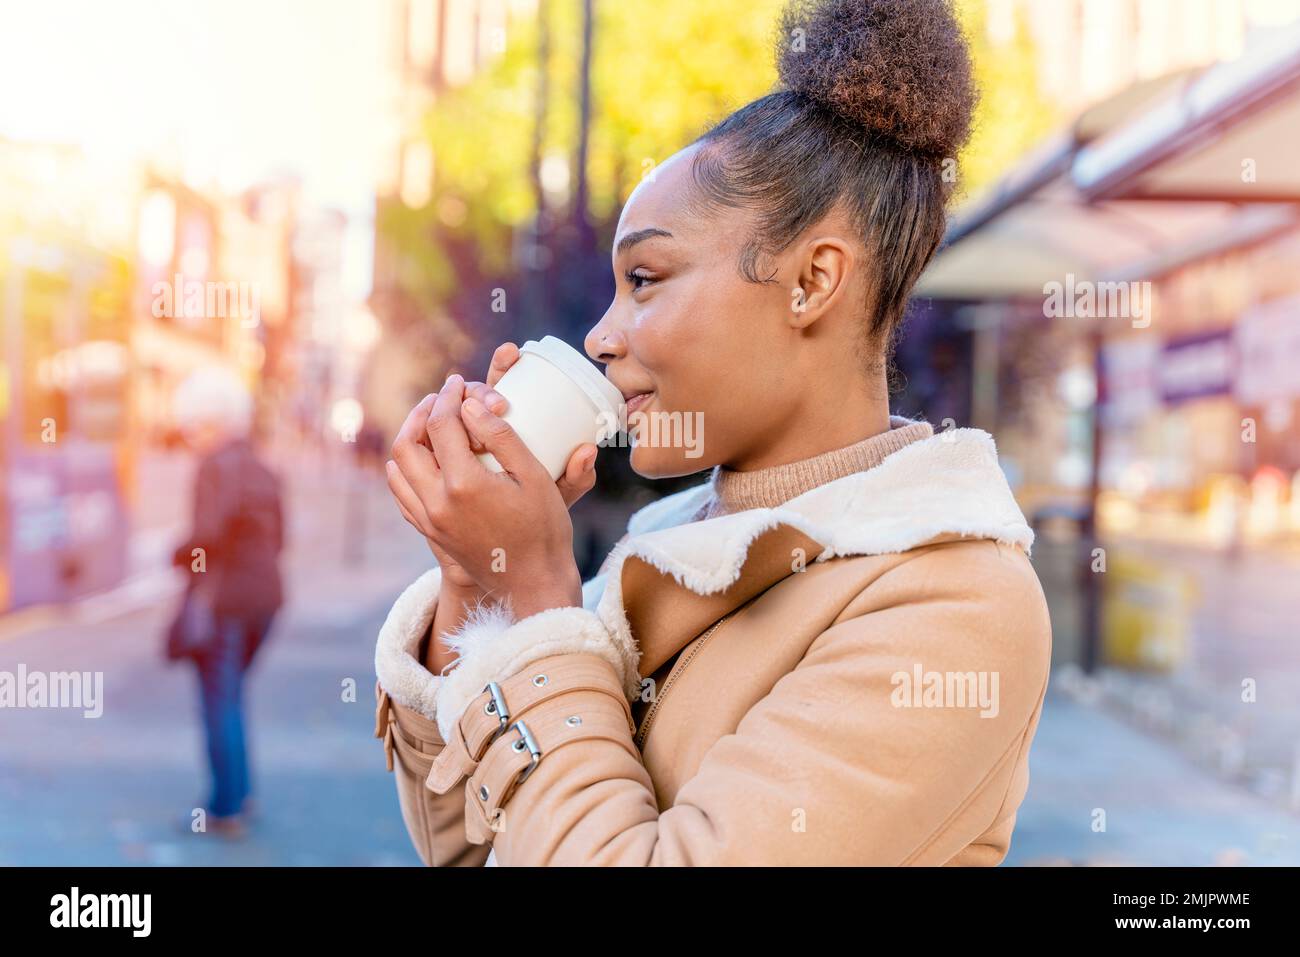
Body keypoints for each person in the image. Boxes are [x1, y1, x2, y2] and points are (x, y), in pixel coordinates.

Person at [375, 0, 1052, 865]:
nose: (601, 335)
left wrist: (544, 591)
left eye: (646, 278)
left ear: (811, 281)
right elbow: (475, 853)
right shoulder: (665, 550)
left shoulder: (957, 605)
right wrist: (485, 583)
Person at [169, 366, 284, 837]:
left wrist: (177, 555)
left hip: (224, 604)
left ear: (215, 422)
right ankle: (241, 792)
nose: (191, 436)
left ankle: (224, 805)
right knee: (233, 698)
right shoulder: (264, 468)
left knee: (220, 702)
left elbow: (206, 538)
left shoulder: (213, 467)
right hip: (267, 600)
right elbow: (280, 539)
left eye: (195, 425)